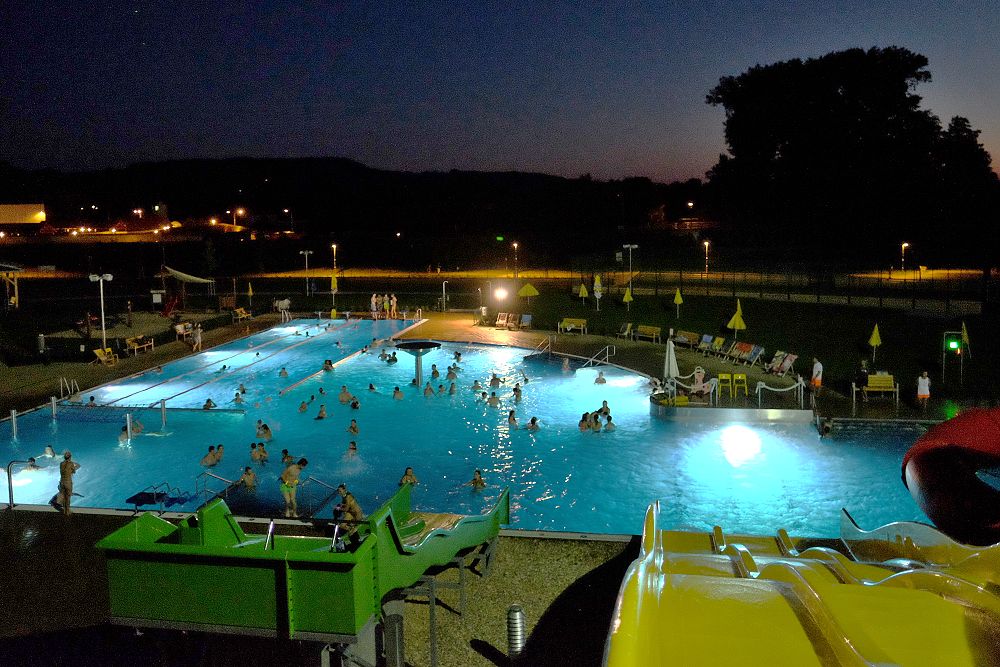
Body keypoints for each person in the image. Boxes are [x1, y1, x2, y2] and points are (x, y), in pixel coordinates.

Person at [55, 451, 80, 515]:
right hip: (68, 483)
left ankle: (64, 510)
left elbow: (65, 470)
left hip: (61, 482)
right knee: (68, 497)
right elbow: (74, 471)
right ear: (70, 457)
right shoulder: (71, 464)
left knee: (63, 496)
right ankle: (67, 512)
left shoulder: (61, 464)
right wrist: (72, 463)